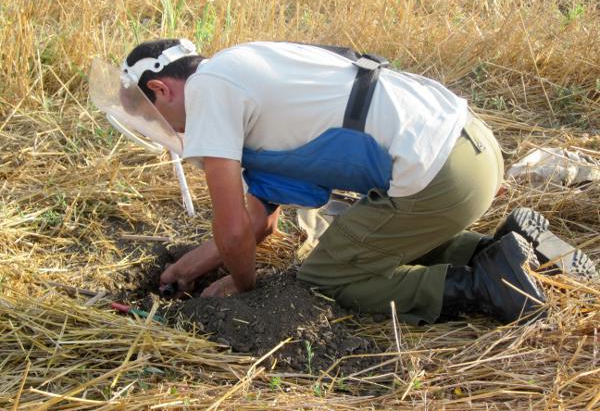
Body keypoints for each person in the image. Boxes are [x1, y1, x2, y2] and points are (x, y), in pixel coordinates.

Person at [116, 38, 595, 325]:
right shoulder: (241, 66)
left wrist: (244, 286)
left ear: (161, 88)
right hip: (470, 150)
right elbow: (257, 219)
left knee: (328, 275)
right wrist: (197, 263)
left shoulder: (206, 95)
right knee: (372, 243)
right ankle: (512, 247)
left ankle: (481, 285)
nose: (167, 130)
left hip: (439, 176)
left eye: (152, 116)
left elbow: (234, 230)